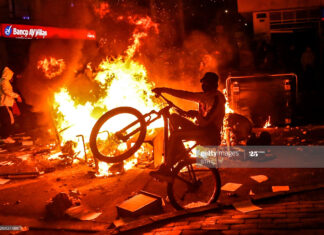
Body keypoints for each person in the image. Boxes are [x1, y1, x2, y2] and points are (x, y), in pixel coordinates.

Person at [150, 72, 225, 180]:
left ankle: (167, 168)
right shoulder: (204, 96)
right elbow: (184, 94)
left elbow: (206, 121)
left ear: (213, 84)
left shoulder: (218, 99)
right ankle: (179, 151)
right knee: (174, 117)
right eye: (203, 83)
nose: (203, 85)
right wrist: (163, 90)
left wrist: (195, 114)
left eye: (206, 83)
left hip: (209, 134)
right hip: (201, 129)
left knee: (176, 135)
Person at [0, 67, 22, 144]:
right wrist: (17, 96)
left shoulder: (5, 81)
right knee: (8, 120)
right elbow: (7, 91)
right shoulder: (4, 81)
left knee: (10, 120)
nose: (11, 77)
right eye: (11, 75)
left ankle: (5, 136)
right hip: (4, 104)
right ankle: (5, 137)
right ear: (7, 74)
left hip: (6, 103)